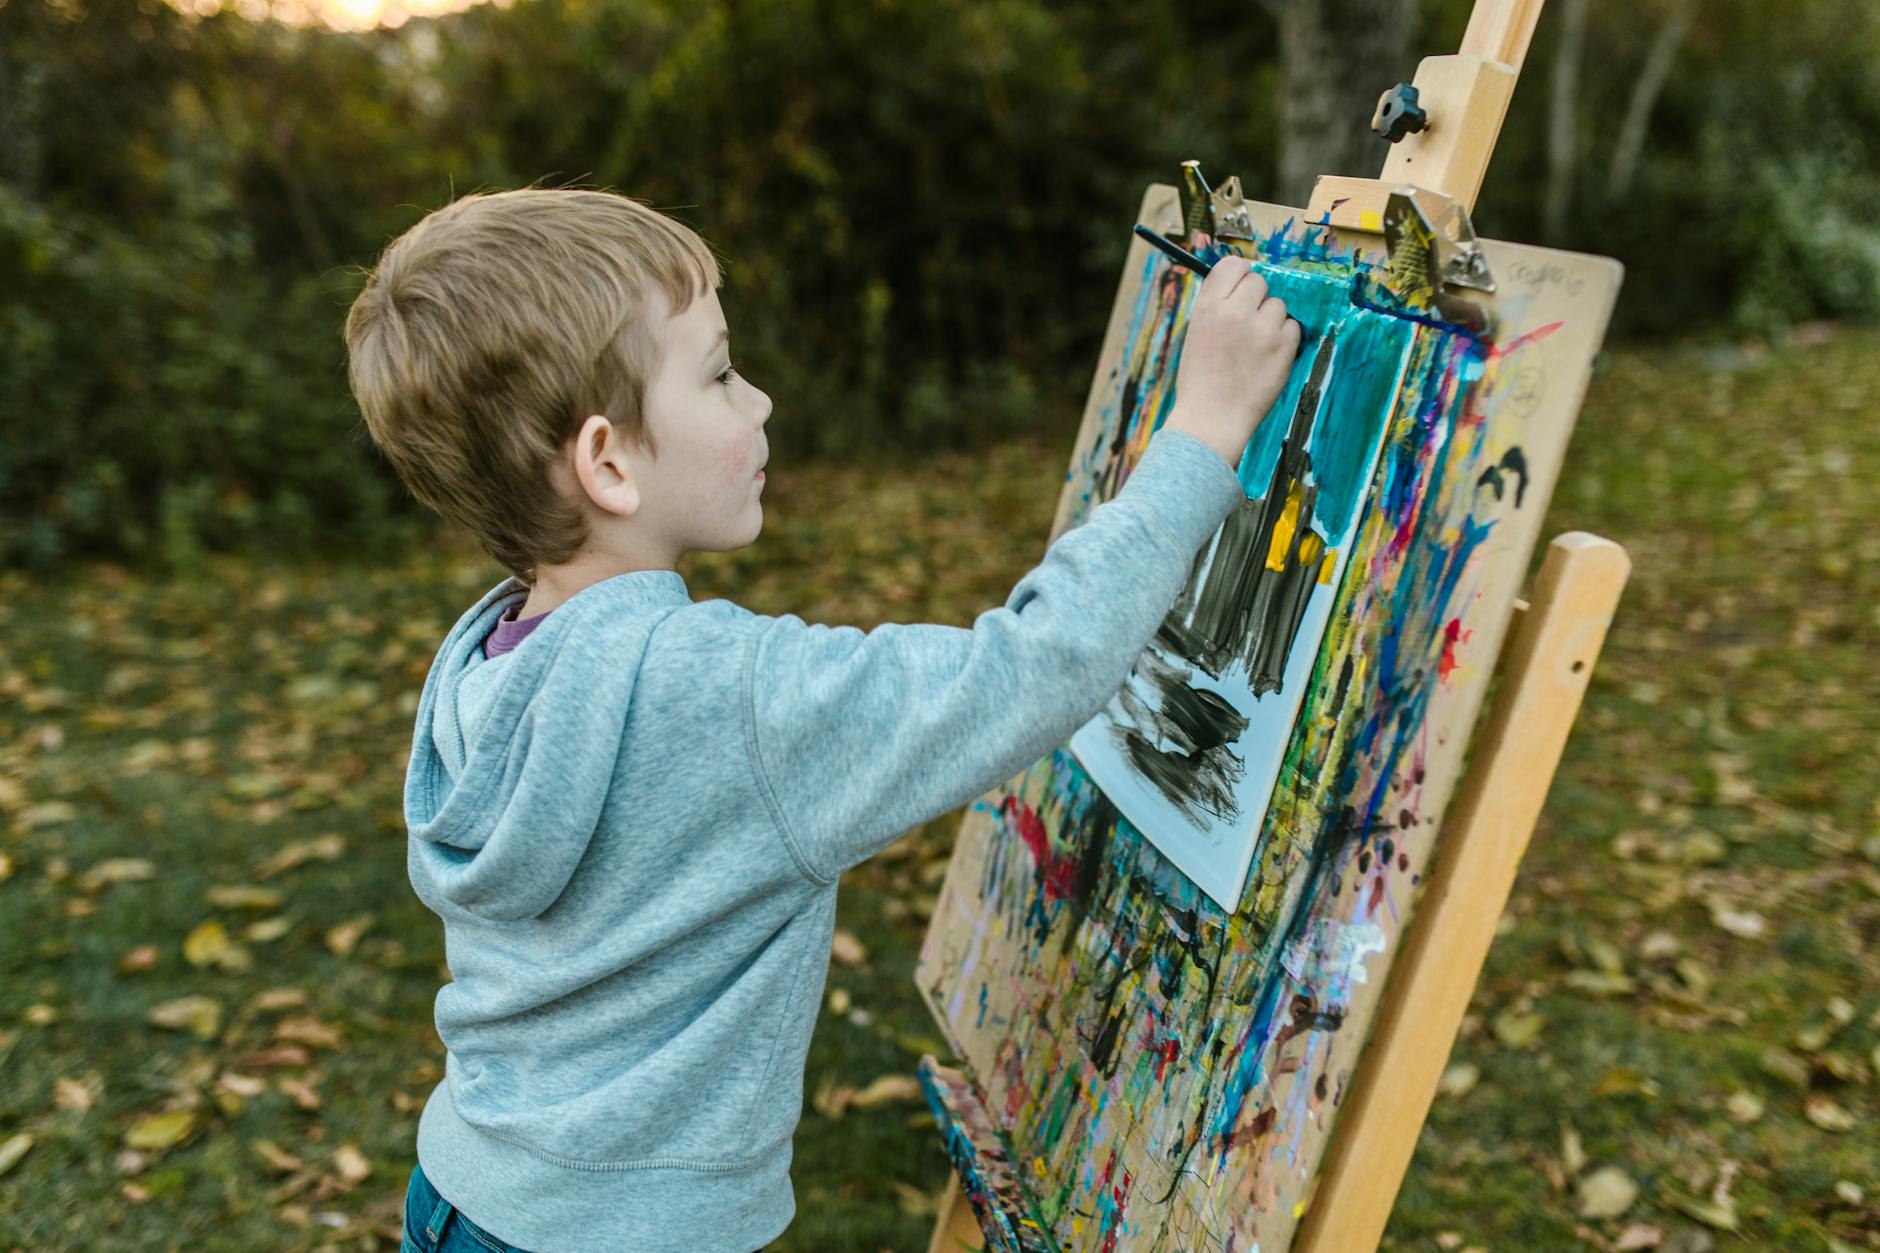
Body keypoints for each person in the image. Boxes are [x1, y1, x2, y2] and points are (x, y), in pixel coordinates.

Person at [342, 186, 1299, 1253]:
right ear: (608, 462)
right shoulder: (729, 695)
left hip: (464, 1194)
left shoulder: (482, 668)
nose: (758, 401)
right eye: (718, 374)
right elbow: (1030, 670)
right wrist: (1204, 429)